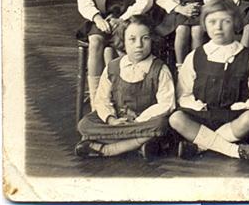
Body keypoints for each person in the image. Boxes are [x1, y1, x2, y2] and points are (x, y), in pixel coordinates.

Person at [169, 0, 249, 161]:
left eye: (225, 21)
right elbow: (183, 94)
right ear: (204, 25)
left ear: (235, 23)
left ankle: (200, 145)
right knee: (175, 118)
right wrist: (196, 106)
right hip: (202, 117)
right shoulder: (195, 56)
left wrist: (241, 107)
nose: (218, 28)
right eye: (212, 22)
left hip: (233, 118)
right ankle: (234, 150)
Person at [75, 15, 175, 160]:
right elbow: (102, 99)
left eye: (145, 38)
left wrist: (139, 121)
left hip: (143, 122)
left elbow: (167, 104)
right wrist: (111, 120)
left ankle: (107, 148)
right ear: (123, 41)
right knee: (85, 124)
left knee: (161, 124)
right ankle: (140, 143)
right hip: (119, 121)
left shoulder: (159, 69)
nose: (139, 45)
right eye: (132, 39)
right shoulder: (113, 67)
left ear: (152, 40)